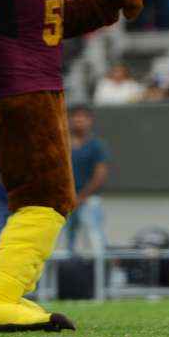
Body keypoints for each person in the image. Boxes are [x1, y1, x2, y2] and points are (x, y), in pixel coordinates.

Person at [62, 105, 109, 254]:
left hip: (89, 200)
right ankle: (67, 277)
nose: (79, 120)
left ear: (90, 121)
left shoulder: (97, 145)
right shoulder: (62, 144)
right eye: (75, 116)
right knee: (65, 245)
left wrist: (81, 197)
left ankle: (99, 276)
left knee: (95, 241)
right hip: (65, 202)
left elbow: (100, 175)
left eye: (83, 116)